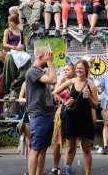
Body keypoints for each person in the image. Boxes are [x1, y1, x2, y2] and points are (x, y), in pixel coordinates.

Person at [52, 60, 98, 175]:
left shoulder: (91, 85)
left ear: (86, 69)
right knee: (70, 147)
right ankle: (67, 171)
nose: (78, 70)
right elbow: (55, 92)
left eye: (81, 68)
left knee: (86, 147)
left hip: (85, 118)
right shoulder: (71, 82)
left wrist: (90, 98)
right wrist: (65, 101)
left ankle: (88, 173)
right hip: (71, 117)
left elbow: (95, 105)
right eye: (77, 68)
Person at [25, 46, 57, 175]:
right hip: (39, 115)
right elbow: (53, 80)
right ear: (40, 57)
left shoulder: (41, 72)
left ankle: (40, 173)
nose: (50, 58)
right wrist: (50, 62)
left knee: (43, 148)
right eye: (47, 56)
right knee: (36, 148)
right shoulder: (33, 71)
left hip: (47, 115)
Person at [49, 63, 75, 175]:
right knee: (59, 142)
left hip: (74, 113)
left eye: (68, 70)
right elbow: (55, 95)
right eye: (64, 70)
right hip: (62, 112)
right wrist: (63, 100)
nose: (65, 72)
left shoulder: (76, 82)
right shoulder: (60, 82)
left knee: (71, 143)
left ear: (73, 71)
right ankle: (55, 167)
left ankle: (68, 166)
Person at [1, 14, 29, 100]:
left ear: (16, 22)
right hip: (11, 54)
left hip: (20, 54)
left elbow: (23, 43)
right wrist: (15, 47)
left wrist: (23, 47)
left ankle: (14, 88)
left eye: (12, 21)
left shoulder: (20, 31)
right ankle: (7, 93)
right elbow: (4, 44)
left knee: (25, 73)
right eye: (9, 21)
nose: (10, 23)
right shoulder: (7, 31)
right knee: (9, 74)